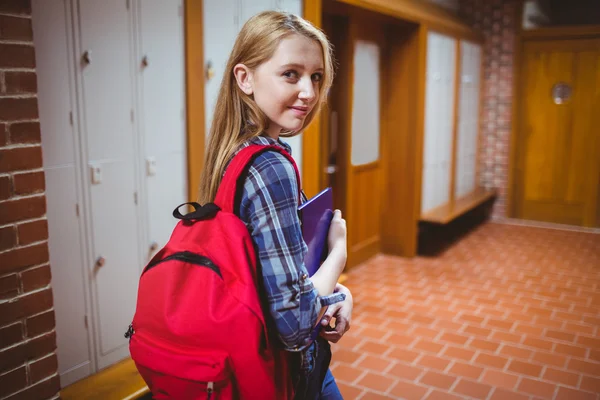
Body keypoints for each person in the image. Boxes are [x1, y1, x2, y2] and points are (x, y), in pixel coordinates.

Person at [198, 10, 353, 400]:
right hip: (285, 376)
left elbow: (276, 279)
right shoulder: (270, 167)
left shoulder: (233, 154)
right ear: (244, 78)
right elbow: (295, 324)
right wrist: (339, 253)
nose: (309, 92)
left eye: (316, 77)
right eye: (291, 74)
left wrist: (340, 294)